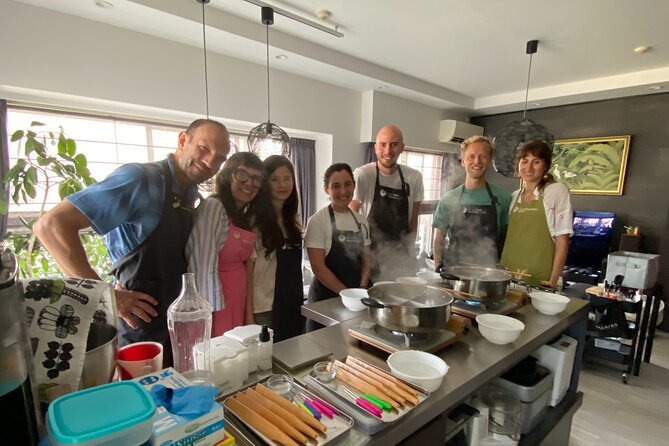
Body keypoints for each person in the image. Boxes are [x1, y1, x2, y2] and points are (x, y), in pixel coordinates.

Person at [33, 119, 231, 366]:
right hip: (139, 325)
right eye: (204, 149)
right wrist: (106, 296)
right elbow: (51, 226)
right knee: (145, 397)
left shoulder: (191, 194)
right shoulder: (140, 179)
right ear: (182, 140)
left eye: (220, 158)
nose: (210, 162)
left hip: (174, 319)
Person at [187, 152, 266, 337]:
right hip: (215, 304)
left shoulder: (240, 214)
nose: (249, 183)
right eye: (242, 175)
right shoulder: (213, 206)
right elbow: (202, 264)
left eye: (256, 179)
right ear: (226, 176)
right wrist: (208, 314)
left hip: (234, 300)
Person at [350, 125, 424, 280]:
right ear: (376, 148)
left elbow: (413, 223)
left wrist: (409, 257)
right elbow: (352, 218)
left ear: (402, 147)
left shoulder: (414, 177)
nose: (388, 151)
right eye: (383, 144)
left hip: (400, 259)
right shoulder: (363, 175)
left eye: (394, 144)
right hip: (370, 259)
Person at [305, 163, 371, 328]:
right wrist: (347, 294)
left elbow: (367, 258)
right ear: (326, 189)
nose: (343, 191)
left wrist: (362, 288)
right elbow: (318, 267)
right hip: (325, 300)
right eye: (336, 186)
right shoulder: (318, 221)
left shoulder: (361, 221)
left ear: (354, 185)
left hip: (356, 299)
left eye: (348, 184)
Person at [500, 140, 573, 288]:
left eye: (536, 162)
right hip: (507, 276)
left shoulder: (556, 191)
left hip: (540, 279)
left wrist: (552, 281)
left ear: (545, 166)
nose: (529, 167)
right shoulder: (514, 196)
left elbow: (562, 241)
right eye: (524, 161)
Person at [432, 136, 511, 269]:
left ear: (490, 160)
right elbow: (439, 239)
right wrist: (438, 267)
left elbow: (506, 237)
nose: (477, 161)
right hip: (454, 273)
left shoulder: (503, 197)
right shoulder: (449, 199)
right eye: (471, 156)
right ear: (463, 161)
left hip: (488, 273)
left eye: (483, 156)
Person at [252, 155, 305, 341]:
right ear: (265, 183)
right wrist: (247, 314)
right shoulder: (254, 221)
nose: (282, 185)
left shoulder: (293, 219)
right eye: (275, 179)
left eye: (287, 178)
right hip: (265, 307)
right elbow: (248, 270)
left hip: (293, 302)